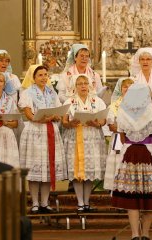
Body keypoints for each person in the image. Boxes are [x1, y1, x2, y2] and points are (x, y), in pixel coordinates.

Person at [112, 84, 152, 240]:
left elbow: (122, 138)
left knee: (131, 197)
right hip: (150, 156)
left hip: (130, 156)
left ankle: (135, 234)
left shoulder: (122, 115)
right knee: (150, 195)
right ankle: (146, 234)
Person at [18, 65, 67, 214]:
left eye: (46, 75)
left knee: (47, 167)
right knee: (34, 169)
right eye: (40, 75)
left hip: (50, 131)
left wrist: (56, 116)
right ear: (34, 77)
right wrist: (42, 118)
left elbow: (59, 110)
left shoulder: (52, 93)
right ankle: (34, 203)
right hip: (35, 132)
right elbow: (29, 115)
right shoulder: (27, 93)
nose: (44, 77)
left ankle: (45, 203)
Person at [62, 74, 107, 212]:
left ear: (89, 85)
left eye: (85, 83)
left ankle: (86, 202)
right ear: (75, 86)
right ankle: (80, 202)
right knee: (77, 171)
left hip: (92, 138)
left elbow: (103, 120)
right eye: (79, 83)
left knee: (89, 171)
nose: (83, 86)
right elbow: (63, 122)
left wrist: (96, 122)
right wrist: (70, 123)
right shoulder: (68, 102)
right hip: (75, 137)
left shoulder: (97, 101)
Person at [103, 77, 134, 191]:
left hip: (135, 140)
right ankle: (117, 195)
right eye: (125, 86)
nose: (128, 88)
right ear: (120, 89)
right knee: (118, 166)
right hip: (118, 140)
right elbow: (111, 126)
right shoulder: (114, 105)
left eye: (130, 86)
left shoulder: (140, 105)